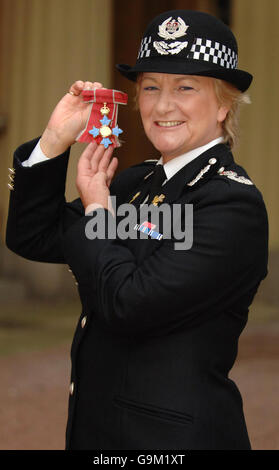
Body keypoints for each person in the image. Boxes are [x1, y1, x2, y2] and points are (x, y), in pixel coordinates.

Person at [6, 10, 268, 450]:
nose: (163, 106)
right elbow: (31, 235)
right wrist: (54, 140)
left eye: (185, 87)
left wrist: (98, 216)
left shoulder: (231, 205)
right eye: (151, 87)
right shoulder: (133, 183)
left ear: (224, 103)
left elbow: (129, 304)